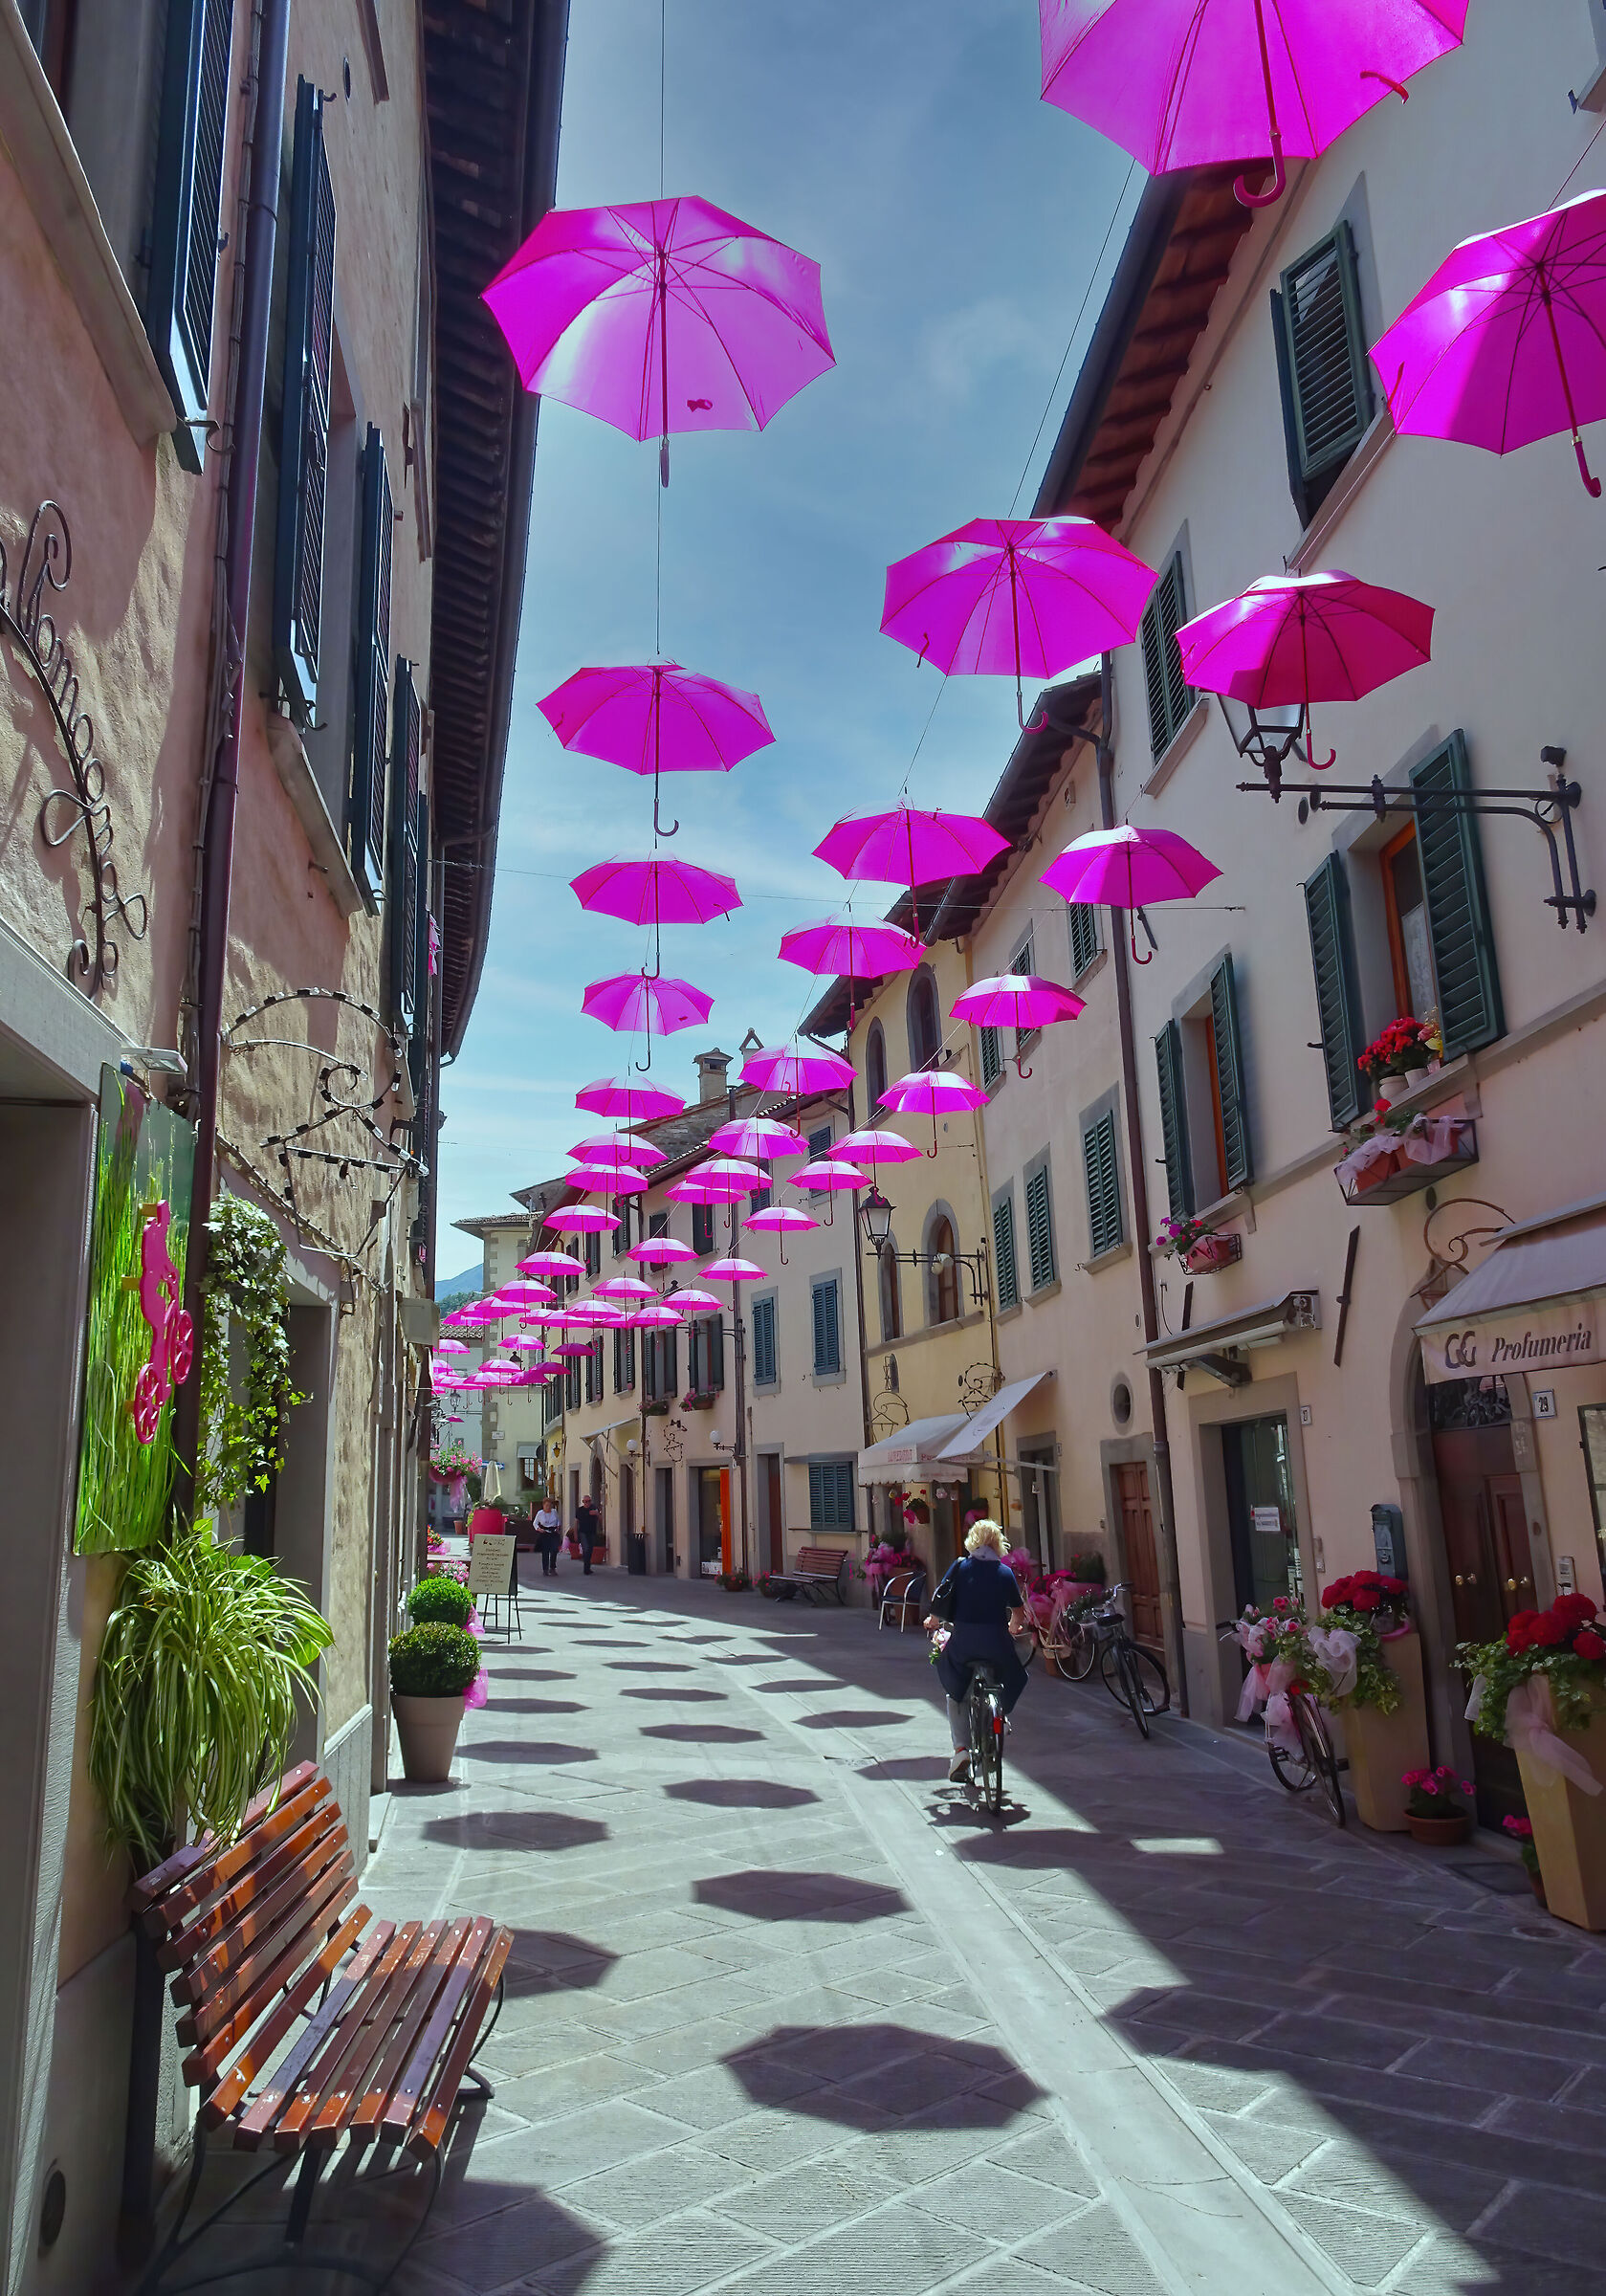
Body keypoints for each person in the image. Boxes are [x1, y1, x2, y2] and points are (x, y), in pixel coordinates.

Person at [924, 1517, 1029, 1782]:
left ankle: (961, 1751)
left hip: (965, 1642)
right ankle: (999, 1715)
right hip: (996, 1642)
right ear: (997, 1544)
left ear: (972, 1541)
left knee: (956, 1690)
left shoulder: (960, 1567)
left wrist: (933, 1621)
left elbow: (941, 1601)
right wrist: (1013, 1626)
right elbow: (1019, 1614)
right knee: (1010, 1674)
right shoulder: (1004, 1573)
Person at [533, 1494, 561, 1577]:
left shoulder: (554, 1512)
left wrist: (558, 1527)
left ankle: (552, 1568)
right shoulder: (540, 1513)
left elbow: (558, 1521)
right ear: (543, 1505)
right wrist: (538, 1529)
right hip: (544, 1533)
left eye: (550, 1505)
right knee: (545, 1552)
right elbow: (535, 1523)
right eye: (546, 1505)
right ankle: (545, 1569)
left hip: (553, 1533)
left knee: (554, 1550)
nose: (548, 1507)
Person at [577, 1492, 601, 1576]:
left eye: (589, 1501)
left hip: (592, 1532)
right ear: (583, 1502)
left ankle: (588, 1567)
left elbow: (601, 1519)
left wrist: (597, 1514)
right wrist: (575, 1534)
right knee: (586, 1549)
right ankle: (586, 1569)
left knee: (590, 1550)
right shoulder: (580, 1510)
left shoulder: (594, 1508)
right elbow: (576, 1522)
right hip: (583, 1532)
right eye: (585, 1501)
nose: (587, 1503)